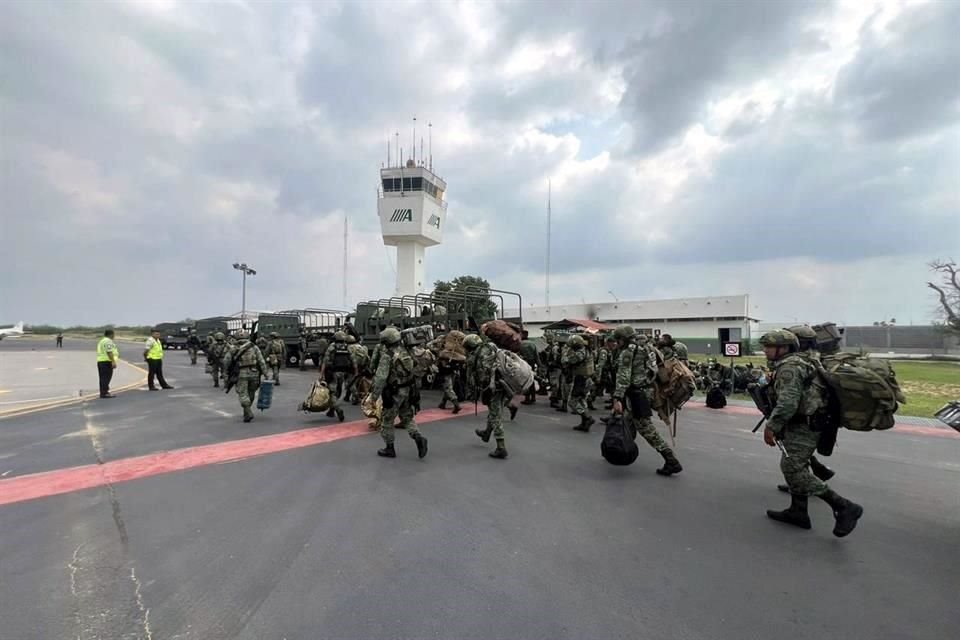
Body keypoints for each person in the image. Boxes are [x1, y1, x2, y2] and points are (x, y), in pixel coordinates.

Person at [759, 330, 863, 537]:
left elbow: (788, 402)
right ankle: (798, 511)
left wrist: (772, 426)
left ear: (783, 348)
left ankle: (844, 506)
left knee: (792, 468)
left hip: (804, 424)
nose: (765, 350)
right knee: (797, 463)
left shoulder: (790, 367)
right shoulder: (800, 361)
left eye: (769, 346)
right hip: (808, 421)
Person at [611, 325, 683, 476]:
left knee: (645, 428)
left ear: (623, 338)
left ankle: (671, 460)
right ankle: (621, 449)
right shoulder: (647, 347)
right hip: (648, 389)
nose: (617, 343)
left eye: (618, 340)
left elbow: (624, 375)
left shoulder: (628, 351)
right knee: (627, 420)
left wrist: (617, 397)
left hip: (637, 393)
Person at [774, 324, 835, 493]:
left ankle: (841, 505)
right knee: (796, 456)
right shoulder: (814, 358)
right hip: (816, 416)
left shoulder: (797, 363)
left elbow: (790, 398)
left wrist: (774, 423)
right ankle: (799, 497)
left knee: (792, 463)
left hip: (806, 418)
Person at [368, 327, 428, 459]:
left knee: (387, 421)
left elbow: (381, 378)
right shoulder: (408, 351)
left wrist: (374, 396)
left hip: (394, 393)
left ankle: (390, 449)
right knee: (407, 417)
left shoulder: (387, 356)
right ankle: (418, 438)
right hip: (408, 389)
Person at [465, 333, 510, 459]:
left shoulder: (474, 356)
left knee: (495, 415)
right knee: (494, 410)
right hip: (503, 383)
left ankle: (501, 447)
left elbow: (471, 377)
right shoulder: (491, 346)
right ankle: (486, 432)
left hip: (492, 387)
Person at [222, 330, 267, 423]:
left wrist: (225, 373)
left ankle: (247, 410)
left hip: (240, 374)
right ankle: (247, 410)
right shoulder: (254, 347)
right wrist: (265, 373)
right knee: (251, 392)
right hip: (254, 373)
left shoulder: (233, 348)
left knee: (243, 393)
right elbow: (261, 361)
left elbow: (226, 362)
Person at [564, 334, 596, 432]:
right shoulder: (586, 349)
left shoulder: (579, 353)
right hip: (587, 379)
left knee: (572, 402)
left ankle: (587, 417)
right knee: (582, 400)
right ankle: (584, 422)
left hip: (581, 380)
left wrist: (566, 352)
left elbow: (567, 360)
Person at [518, 330, 541, 405]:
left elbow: (517, 355)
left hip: (523, 364)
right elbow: (537, 356)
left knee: (525, 381)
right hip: (532, 364)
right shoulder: (533, 344)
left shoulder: (520, 344)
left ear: (522, 335)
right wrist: (539, 365)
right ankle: (533, 397)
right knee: (532, 380)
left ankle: (527, 398)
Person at [96, 329, 119, 398]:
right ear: (111, 334)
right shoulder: (108, 341)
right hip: (106, 361)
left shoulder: (102, 341)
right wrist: (113, 361)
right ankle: (105, 393)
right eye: (114, 334)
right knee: (106, 378)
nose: (114, 336)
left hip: (101, 361)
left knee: (103, 378)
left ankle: (103, 392)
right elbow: (109, 352)